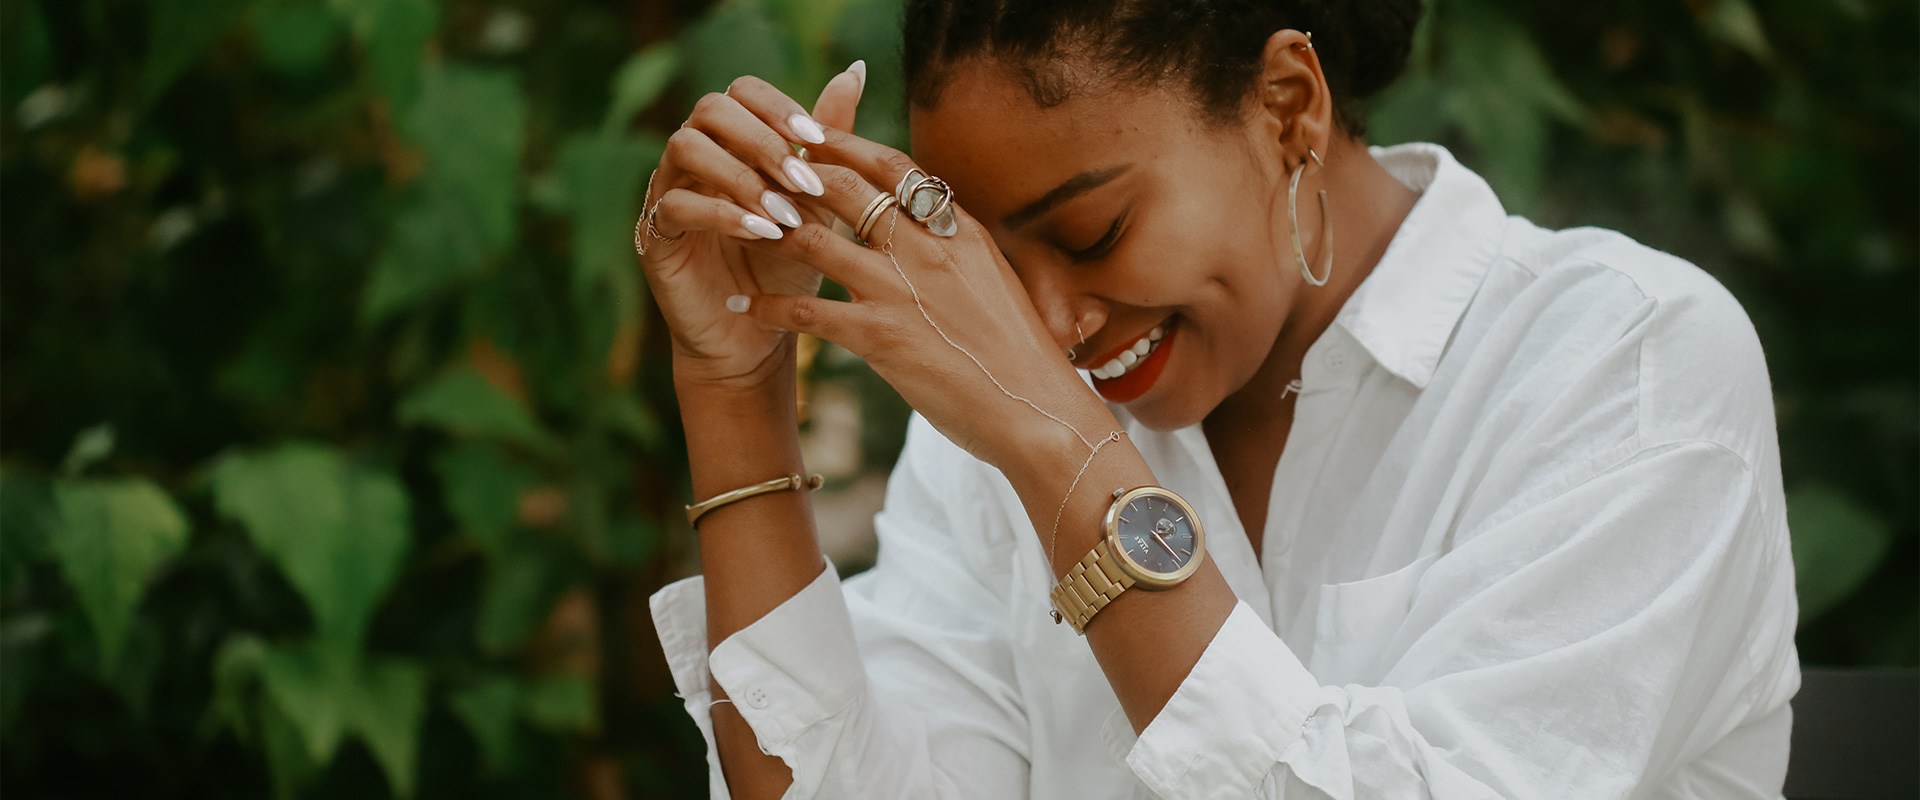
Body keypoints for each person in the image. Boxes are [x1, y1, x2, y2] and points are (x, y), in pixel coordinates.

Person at [633, 1, 1801, 797]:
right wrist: (735, 387)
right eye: (993, 265)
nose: (1045, 328)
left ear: (1288, 105)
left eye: (1094, 231)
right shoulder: (1008, 416)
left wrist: (1064, 454)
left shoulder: (1622, 364)